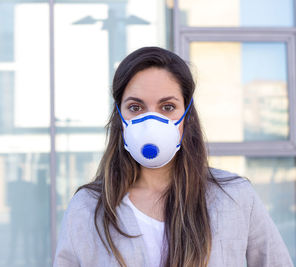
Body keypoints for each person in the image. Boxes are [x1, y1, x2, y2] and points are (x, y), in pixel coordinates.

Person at [53, 47, 293, 267]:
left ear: (186, 115)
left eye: (167, 107)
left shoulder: (234, 198)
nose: (151, 122)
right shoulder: (87, 209)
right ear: (120, 117)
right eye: (136, 108)